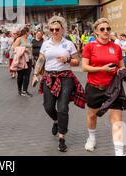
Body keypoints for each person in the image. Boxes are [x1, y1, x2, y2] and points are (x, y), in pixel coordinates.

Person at [32, 16, 84, 153]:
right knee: (48, 107)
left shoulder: (68, 44)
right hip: (49, 77)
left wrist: (67, 59)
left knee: (62, 108)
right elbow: (41, 59)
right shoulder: (46, 43)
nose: (54, 31)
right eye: (52, 29)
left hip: (65, 78)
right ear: (49, 30)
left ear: (62, 30)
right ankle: (56, 120)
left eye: (57, 29)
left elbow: (77, 61)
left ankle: (62, 138)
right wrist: (36, 74)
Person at [82, 18, 126, 156]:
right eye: (102, 29)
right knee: (92, 116)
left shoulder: (116, 47)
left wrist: (121, 71)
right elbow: (84, 67)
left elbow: (122, 66)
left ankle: (119, 152)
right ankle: (92, 138)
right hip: (95, 87)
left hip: (113, 88)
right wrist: (102, 68)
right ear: (96, 32)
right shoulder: (90, 47)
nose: (106, 31)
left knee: (117, 120)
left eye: (108, 29)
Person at [11, 26, 34, 97]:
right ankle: (19, 89)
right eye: (29, 32)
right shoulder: (19, 39)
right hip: (22, 59)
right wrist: (24, 49)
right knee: (20, 75)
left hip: (29, 59)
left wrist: (32, 58)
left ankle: (25, 91)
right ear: (26, 32)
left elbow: (30, 49)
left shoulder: (28, 39)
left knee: (27, 75)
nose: (30, 33)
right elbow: (14, 48)